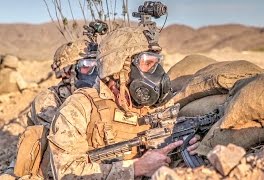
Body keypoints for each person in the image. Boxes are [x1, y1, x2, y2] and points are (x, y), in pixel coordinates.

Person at [48, 27, 200, 179]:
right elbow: (66, 173)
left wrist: (180, 149)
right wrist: (134, 169)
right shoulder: (79, 107)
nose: (156, 72)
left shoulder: (156, 107)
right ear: (119, 70)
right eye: (147, 64)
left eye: (157, 64)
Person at [12, 40, 99, 179]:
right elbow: (60, 148)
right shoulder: (48, 100)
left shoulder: (99, 96)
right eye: (86, 65)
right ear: (66, 72)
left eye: (97, 64)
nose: (94, 72)